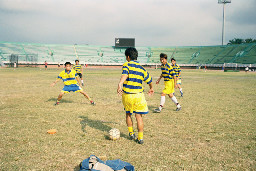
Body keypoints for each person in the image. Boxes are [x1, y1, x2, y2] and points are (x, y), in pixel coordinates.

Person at [117, 47, 154, 144]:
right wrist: (151, 88)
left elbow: (125, 75)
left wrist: (120, 83)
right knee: (139, 117)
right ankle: (140, 138)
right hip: (138, 96)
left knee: (128, 114)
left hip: (128, 95)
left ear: (128, 57)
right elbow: (149, 80)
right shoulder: (142, 68)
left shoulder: (127, 65)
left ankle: (131, 133)